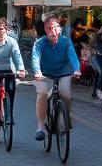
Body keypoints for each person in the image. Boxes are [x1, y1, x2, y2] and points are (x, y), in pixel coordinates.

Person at [31, 12, 81, 142]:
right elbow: (35, 57)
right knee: (42, 94)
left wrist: (76, 69)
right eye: (49, 28)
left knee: (66, 97)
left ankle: (64, 123)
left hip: (64, 73)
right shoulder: (40, 43)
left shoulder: (66, 41)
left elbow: (72, 56)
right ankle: (40, 128)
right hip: (45, 74)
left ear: (59, 28)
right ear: (45, 30)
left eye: (54, 27)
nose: (52, 31)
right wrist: (37, 71)